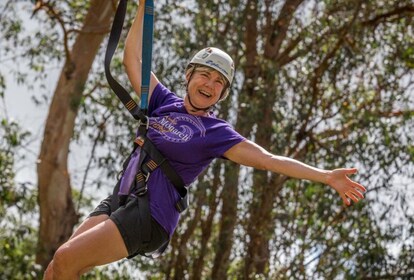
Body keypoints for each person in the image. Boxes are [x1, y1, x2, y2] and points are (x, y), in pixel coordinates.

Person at [43, 1, 366, 279]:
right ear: (189, 76)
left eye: (219, 83)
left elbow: (269, 160)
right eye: (204, 75)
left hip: (152, 213)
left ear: (222, 94)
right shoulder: (162, 101)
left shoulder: (216, 133)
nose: (210, 84)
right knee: (56, 268)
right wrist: (144, 7)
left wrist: (326, 177)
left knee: (69, 260)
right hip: (123, 199)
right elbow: (132, 60)